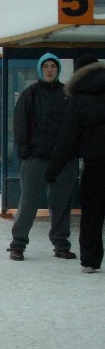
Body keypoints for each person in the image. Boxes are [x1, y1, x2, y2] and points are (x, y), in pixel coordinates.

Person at [8, 52, 78, 261]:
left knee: (61, 204)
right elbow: (20, 125)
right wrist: (26, 153)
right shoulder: (30, 94)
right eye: (46, 66)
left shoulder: (67, 94)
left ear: (58, 69)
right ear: (40, 69)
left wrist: (71, 153)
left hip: (63, 160)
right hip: (36, 159)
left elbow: (75, 126)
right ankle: (17, 245)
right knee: (28, 202)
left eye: (53, 66)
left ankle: (61, 245)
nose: (49, 70)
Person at [45, 55, 105, 273]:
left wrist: (52, 171)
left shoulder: (79, 100)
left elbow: (67, 140)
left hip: (95, 166)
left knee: (92, 214)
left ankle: (90, 261)